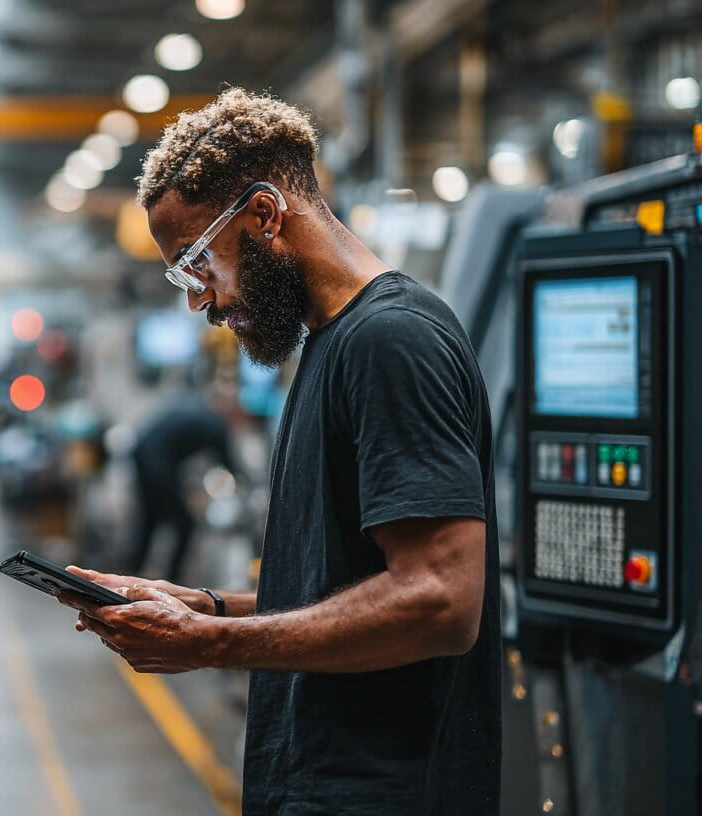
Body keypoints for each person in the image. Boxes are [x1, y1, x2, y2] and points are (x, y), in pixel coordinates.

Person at [61, 88, 499, 815]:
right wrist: (207, 608)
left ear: (264, 215)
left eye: (197, 262)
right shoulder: (331, 344)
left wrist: (212, 648)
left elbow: (441, 601)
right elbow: (344, 586)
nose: (198, 300)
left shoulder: (391, 342)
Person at [125, 392, 242, 582]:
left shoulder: (197, 409)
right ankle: (173, 579)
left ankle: (132, 569)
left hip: (141, 455)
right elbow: (230, 464)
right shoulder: (217, 426)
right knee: (185, 522)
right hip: (156, 464)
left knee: (150, 518)